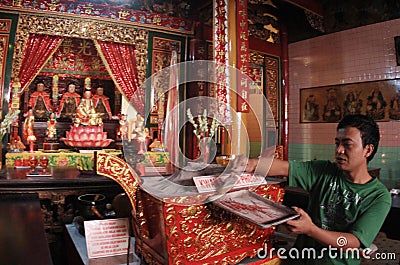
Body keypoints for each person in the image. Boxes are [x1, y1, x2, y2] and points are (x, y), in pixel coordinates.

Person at [245, 114, 391, 265]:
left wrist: (310, 230)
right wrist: (251, 163)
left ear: (368, 150)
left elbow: (353, 243)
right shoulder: (324, 171)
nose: (339, 150)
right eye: (337, 143)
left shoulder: (379, 196)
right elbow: (284, 167)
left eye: (347, 144)